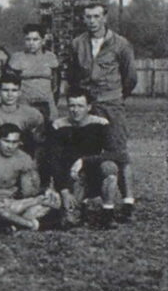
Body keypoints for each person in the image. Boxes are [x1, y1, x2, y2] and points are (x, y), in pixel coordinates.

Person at [66, 2, 138, 219]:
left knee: (119, 153)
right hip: (88, 104)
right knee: (87, 151)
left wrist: (115, 97)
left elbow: (130, 78)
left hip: (111, 104)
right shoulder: (77, 44)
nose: (92, 21)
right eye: (88, 17)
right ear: (83, 19)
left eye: (97, 16)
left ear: (105, 18)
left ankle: (128, 203)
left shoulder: (121, 44)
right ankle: (87, 200)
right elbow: (72, 76)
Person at [43, 88, 126, 228]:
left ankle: (107, 214)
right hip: (71, 178)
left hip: (95, 174)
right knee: (69, 222)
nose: (75, 110)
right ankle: (79, 208)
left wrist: (84, 161)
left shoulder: (100, 123)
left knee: (110, 167)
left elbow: (116, 153)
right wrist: (63, 191)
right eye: (72, 106)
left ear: (89, 107)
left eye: (80, 106)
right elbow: (54, 161)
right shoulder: (59, 126)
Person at [0, 124, 59, 232]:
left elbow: (28, 192)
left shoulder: (23, 158)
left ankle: (13, 225)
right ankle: (29, 225)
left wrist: (47, 191)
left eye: (14, 142)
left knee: (47, 204)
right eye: (6, 141)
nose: (10, 146)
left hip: (14, 202)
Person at [0, 73, 44, 156]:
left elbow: (38, 144)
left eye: (14, 90)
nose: (10, 95)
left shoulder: (32, 114)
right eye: (5, 90)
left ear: (19, 92)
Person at [7, 24, 60, 122]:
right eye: (28, 39)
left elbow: (55, 84)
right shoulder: (17, 58)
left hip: (47, 102)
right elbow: (11, 84)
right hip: (25, 102)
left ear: (43, 41)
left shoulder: (50, 57)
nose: (31, 43)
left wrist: (52, 102)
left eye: (35, 39)